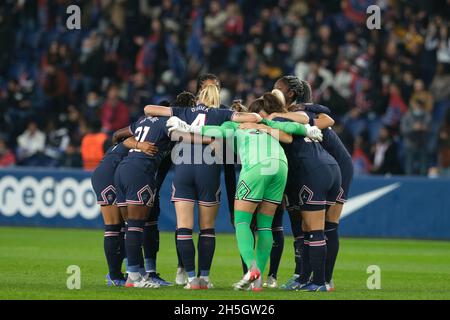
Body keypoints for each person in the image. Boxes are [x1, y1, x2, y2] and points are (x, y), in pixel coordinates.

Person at [166, 92, 323, 291]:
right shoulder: (268, 124)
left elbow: (216, 131)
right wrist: (308, 130)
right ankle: (257, 283)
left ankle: (252, 268)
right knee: (266, 226)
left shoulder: (235, 125)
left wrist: (188, 127)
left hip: (257, 166)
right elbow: (289, 127)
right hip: (280, 166)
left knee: (242, 222)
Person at [143, 82, 261, 290]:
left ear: (199, 96)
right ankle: (204, 278)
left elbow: (148, 109)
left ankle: (190, 279)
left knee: (184, 228)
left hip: (184, 170)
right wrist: (232, 116)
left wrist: (177, 120)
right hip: (209, 171)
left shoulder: (184, 111)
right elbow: (255, 118)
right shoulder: (222, 114)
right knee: (207, 229)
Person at [91, 127, 158, 287]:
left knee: (125, 227)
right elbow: (128, 142)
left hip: (107, 172)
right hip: (109, 175)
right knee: (115, 227)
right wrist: (141, 145)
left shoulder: (118, 144)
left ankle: (131, 272)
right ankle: (115, 275)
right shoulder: (134, 141)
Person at [114, 113, 174, 288]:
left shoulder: (142, 121)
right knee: (136, 225)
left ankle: (134, 272)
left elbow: (117, 135)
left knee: (128, 225)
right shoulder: (167, 123)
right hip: (141, 171)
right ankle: (134, 278)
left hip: (122, 169)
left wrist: (137, 144)